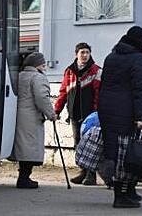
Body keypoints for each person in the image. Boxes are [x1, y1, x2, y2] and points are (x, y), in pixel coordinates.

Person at [98, 26, 142, 208]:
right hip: (126, 111)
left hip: (107, 109)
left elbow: (103, 84)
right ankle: (120, 196)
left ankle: (127, 191)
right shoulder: (139, 60)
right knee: (125, 153)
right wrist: (141, 116)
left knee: (112, 150)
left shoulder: (111, 57)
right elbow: (141, 90)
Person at [54, 42, 102, 185]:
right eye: (82, 52)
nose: (85, 55)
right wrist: (57, 109)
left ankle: (91, 174)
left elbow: (99, 94)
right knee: (78, 143)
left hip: (91, 115)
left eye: (87, 52)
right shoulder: (69, 71)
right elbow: (63, 92)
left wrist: (97, 112)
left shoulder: (96, 71)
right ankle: (83, 171)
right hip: (74, 114)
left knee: (92, 144)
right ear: (76, 54)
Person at [11, 52, 57, 189]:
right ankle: (24, 178)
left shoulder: (19, 75)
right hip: (31, 117)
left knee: (23, 147)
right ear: (37, 64)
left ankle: (23, 177)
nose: (45, 66)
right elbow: (42, 98)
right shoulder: (38, 78)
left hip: (19, 115)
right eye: (43, 64)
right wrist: (51, 114)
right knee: (29, 148)